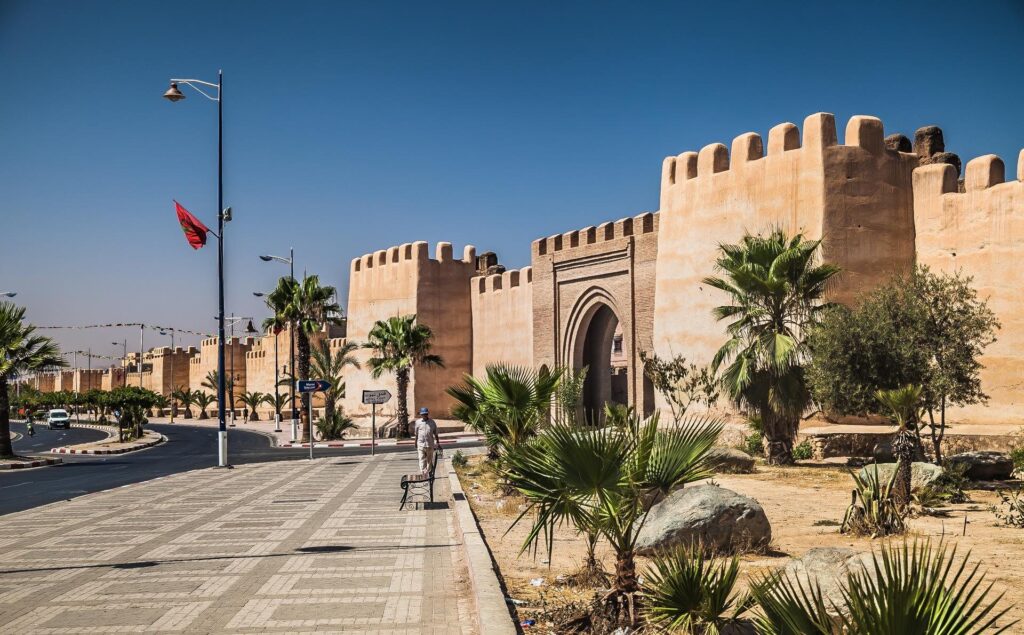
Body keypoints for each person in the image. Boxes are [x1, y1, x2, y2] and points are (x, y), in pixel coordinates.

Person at [414, 407, 441, 475]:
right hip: (420, 444)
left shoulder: (432, 422)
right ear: (421, 415)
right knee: (421, 458)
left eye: (426, 414)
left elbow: (436, 433)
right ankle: (423, 472)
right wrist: (415, 442)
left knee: (429, 460)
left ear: (427, 414)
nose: (424, 415)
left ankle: (428, 472)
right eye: (423, 414)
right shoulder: (418, 422)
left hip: (430, 444)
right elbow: (416, 434)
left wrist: (438, 443)